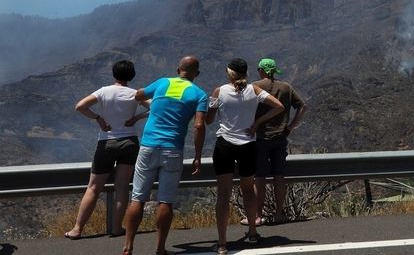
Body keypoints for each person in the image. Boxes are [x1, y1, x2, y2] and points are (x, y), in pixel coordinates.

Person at [122, 55, 208, 255]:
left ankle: (128, 247)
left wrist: (155, 102)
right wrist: (197, 155)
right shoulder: (199, 94)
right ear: (197, 74)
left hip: (148, 147)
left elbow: (138, 95)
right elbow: (199, 125)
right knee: (166, 201)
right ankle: (160, 248)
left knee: (137, 198)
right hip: (173, 150)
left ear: (178, 70)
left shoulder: (162, 83)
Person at [206, 58, 283, 254]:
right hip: (248, 145)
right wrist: (257, 123)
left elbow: (209, 120)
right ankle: (252, 233)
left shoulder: (219, 91)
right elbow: (279, 106)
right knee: (248, 191)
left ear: (229, 72)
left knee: (223, 195)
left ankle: (222, 243)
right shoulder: (254, 90)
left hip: (224, 145)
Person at [65, 59, 148, 239]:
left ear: (113, 74)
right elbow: (156, 107)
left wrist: (98, 118)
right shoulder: (135, 94)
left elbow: (80, 106)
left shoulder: (103, 91)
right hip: (129, 142)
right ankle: (117, 228)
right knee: (122, 187)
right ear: (131, 76)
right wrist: (136, 118)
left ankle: (77, 229)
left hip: (106, 142)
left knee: (93, 187)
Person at [250, 57, 308, 225]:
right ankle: (278, 214)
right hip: (281, 137)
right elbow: (303, 106)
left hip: (260, 137)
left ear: (261, 70)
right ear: (274, 71)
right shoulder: (286, 87)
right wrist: (290, 127)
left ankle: (258, 216)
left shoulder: (255, 86)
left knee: (259, 177)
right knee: (279, 176)